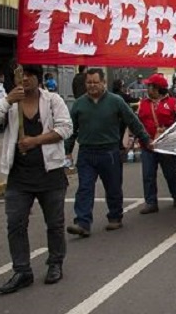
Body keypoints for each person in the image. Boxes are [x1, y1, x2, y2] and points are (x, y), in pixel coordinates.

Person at [0, 65, 73, 294]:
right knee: (16, 223)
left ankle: (55, 263)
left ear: (37, 78)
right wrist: (7, 101)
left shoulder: (53, 100)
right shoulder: (10, 104)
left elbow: (65, 128)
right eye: (20, 75)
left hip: (50, 174)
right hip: (19, 177)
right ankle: (22, 270)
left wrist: (36, 141)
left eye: (29, 75)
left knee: (55, 224)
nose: (25, 79)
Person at [65, 68, 153, 237]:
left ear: (103, 83)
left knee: (113, 187)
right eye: (89, 83)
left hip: (109, 152)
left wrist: (146, 140)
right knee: (84, 188)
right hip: (86, 152)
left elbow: (133, 121)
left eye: (95, 82)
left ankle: (115, 216)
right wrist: (67, 151)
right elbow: (71, 130)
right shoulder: (79, 104)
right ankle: (82, 222)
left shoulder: (116, 101)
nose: (92, 86)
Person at [136, 74, 176, 214]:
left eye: (150, 86)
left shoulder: (173, 102)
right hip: (148, 145)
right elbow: (137, 123)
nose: (147, 89)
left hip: (166, 146)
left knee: (170, 173)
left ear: (157, 88)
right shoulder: (143, 104)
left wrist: (170, 132)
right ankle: (151, 202)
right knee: (148, 175)